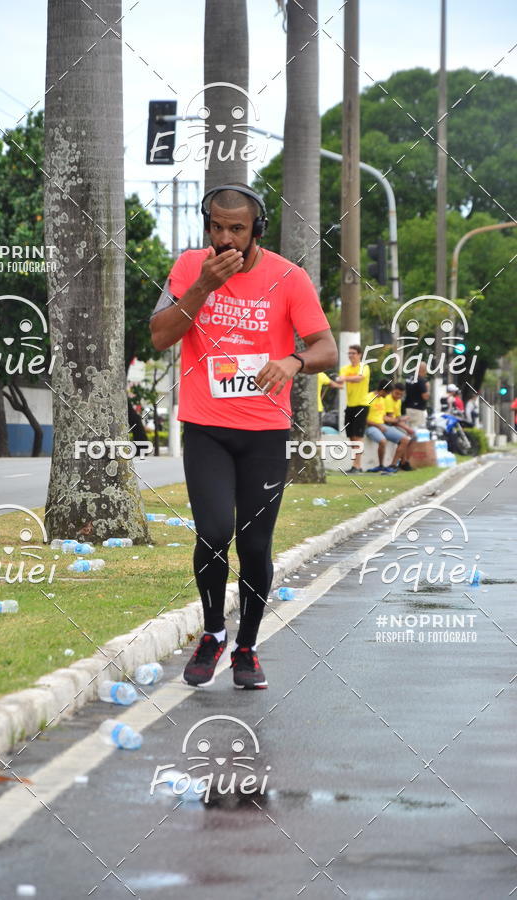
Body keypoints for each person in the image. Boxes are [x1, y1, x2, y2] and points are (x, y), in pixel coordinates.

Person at [149, 183, 337, 690]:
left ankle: (247, 648)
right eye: (216, 227)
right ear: (205, 225)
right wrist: (202, 288)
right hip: (207, 428)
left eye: (237, 228)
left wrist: (292, 360)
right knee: (213, 534)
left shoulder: (289, 278)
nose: (226, 238)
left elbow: (327, 349)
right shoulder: (191, 268)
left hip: (263, 434)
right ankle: (212, 633)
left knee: (255, 547)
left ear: (258, 228)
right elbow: (161, 334)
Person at [365, 380, 412, 473]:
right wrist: (378, 425)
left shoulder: (382, 400)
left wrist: (399, 420)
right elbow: (363, 419)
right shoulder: (368, 398)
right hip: (371, 426)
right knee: (383, 441)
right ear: (383, 391)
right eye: (387, 393)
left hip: (382, 426)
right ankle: (381, 465)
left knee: (405, 439)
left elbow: (383, 417)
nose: (387, 396)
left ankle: (393, 465)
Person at [337, 345, 370, 473]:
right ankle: (354, 465)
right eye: (349, 353)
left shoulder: (363, 367)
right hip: (350, 405)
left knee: (358, 436)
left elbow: (359, 378)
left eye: (354, 353)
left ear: (359, 354)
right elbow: (340, 383)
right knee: (351, 436)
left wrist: (344, 378)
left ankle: (357, 465)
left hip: (362, 405)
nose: (351, 355)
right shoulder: (344, 369)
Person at [384, 383, 415, 470]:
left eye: (401, 394)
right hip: (387, 424)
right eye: (396, 393)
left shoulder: (398, 401)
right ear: (392, 391)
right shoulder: (388, 399)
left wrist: (404, 423)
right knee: (405, 438)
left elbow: (397, 418)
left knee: (412, 437)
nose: (398, 396)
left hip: (395, 423)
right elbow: (392, 420)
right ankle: (394, 464)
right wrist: (407, 428)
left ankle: (404, 461)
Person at [404, 362, 429, 428]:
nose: (426, 372)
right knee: (417, 431)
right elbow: (425, 397)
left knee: (409, 429)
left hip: (408, 408)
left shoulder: (408, 378)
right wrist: (427, 388)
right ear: (422, 370)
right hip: (418, 409)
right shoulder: (421, 380)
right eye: (426, 370)